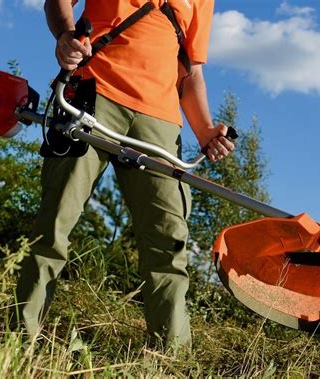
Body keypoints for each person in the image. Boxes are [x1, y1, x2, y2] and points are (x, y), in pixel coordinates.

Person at [13, 0, 234, 349]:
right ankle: (18, 339)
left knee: (169, 240)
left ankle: (170, 357)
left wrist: (205, 130)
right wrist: (65, 35)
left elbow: (190, 73)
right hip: (91, 94)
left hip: (160, 121)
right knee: (55, 222)